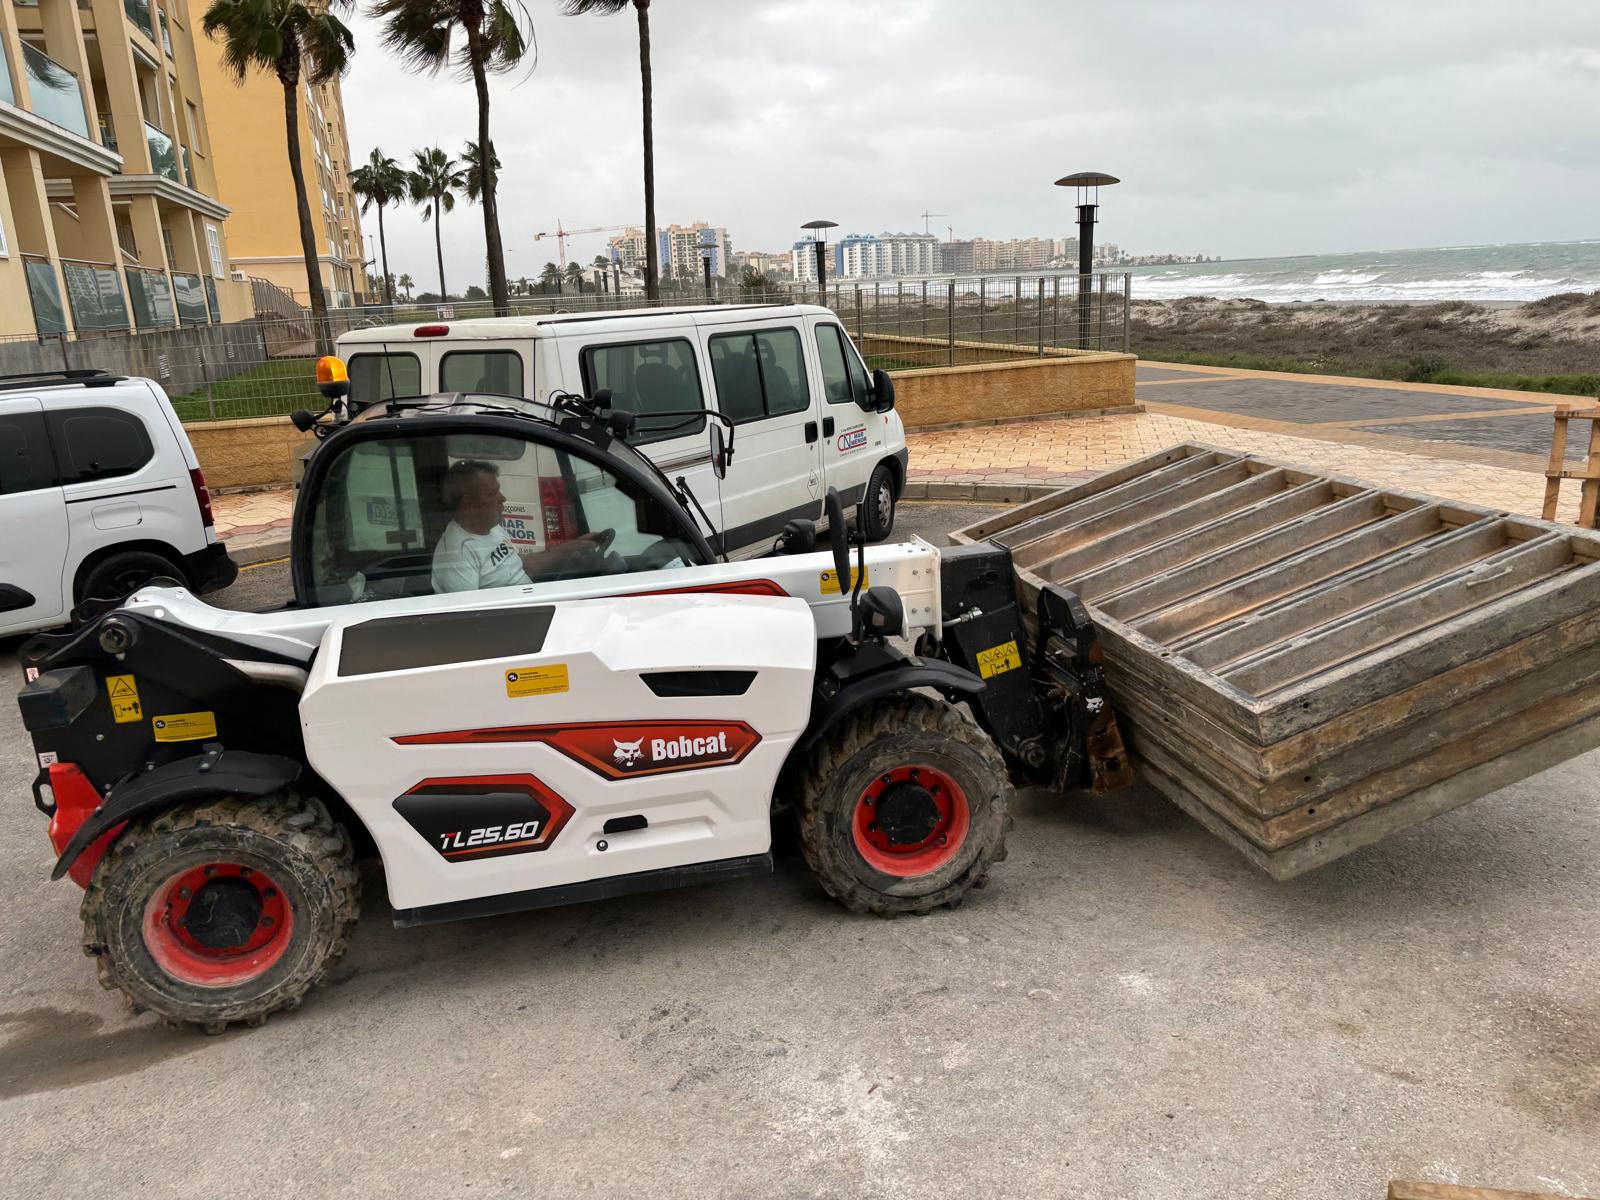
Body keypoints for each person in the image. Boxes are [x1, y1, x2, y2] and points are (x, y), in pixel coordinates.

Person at [431, 459, 609, 593]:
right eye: (493, 493)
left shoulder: (493, 529)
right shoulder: (456, 554)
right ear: (468, 503)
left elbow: (523, 565)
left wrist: (572, 547)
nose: (502, 498)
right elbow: (470, 617)